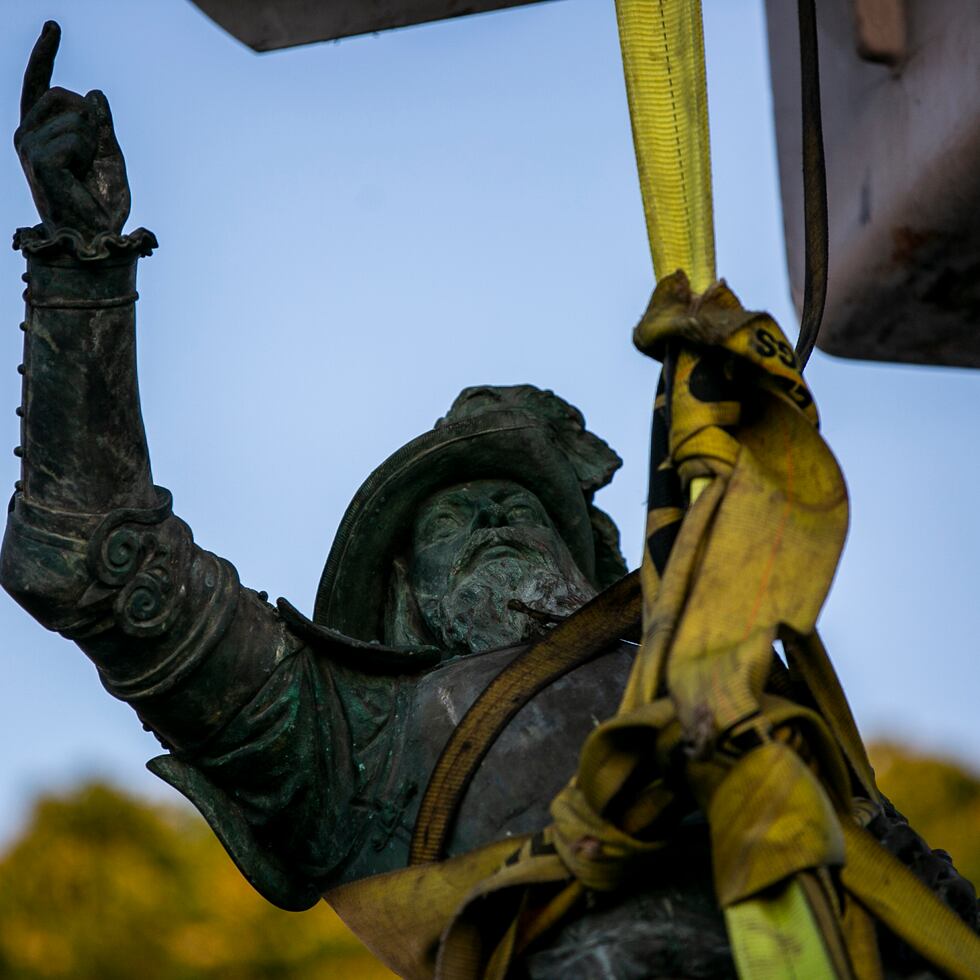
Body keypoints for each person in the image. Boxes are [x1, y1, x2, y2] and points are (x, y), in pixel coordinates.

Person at [3, 22, 974, 979]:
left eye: (516, 507)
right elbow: (95, 558)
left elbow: (909, 878)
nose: (496, 523)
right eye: (452, 522)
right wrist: (81, 265)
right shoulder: (355, 738)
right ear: (404, 596)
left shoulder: (709, 655)